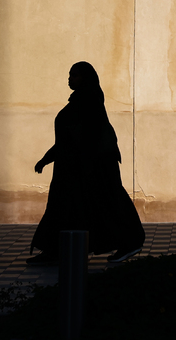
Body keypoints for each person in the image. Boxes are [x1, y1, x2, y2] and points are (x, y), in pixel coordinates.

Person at [28, 61, 145, 265]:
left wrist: (48, 158)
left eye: (74, 75)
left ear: (86, 78)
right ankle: (56, 250)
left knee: (105, 204)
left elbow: (79, 137)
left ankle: (129, 242)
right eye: (70, 74)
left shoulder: (87, 102)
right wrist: (49, 158)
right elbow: (69, 138)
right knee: (70, 208)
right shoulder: (82, 100)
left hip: (91, 168)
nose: (70, 79)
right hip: (77, 168)